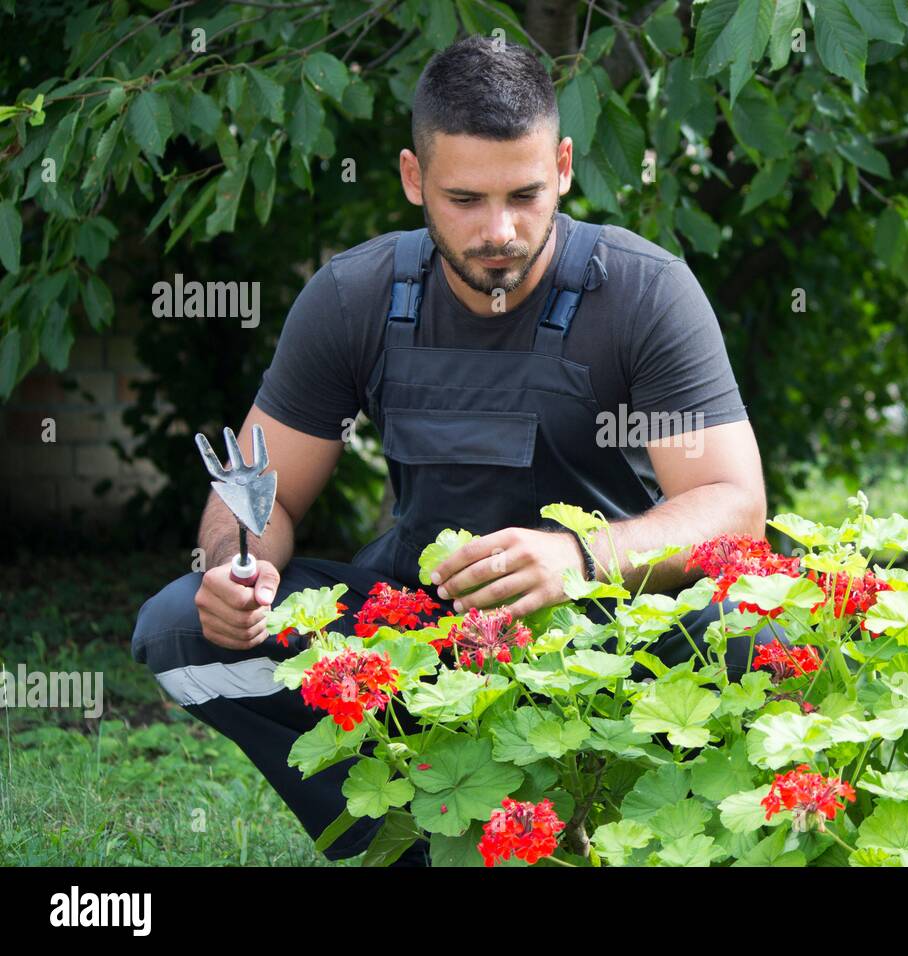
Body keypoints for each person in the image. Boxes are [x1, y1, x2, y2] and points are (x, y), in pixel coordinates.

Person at [131, 35, 776, 863]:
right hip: (419, 635)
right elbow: (261, 494)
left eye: (525, 195)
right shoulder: (354, 297)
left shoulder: (645, 291)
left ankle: (618, 830)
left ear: (566, 166)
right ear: (412, 179)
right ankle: (407, 835)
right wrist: (234, 567)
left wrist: (582, 557)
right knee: (180, 627)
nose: (499, 231)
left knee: (746, 640)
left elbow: (736, 507)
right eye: (466, 199)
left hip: (609, 640)